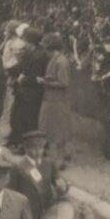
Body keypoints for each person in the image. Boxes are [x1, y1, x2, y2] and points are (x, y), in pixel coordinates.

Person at [36, 33, 74, 166]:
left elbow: (64, 83)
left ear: (51, 48)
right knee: (51, 129)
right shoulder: (55, 59)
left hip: (58, 101)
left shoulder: (60, 62)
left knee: (59, 130)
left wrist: (44, 82)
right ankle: (61, 156)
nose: (45, 52)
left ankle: (60, 159)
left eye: (46, 48)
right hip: (52, 100)